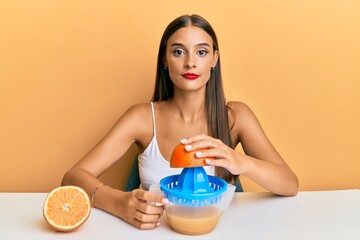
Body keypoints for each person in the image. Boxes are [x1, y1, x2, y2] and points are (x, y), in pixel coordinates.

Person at [62, 14, 298, 230]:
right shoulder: (142, 118)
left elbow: (290, 184)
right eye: (178, 52)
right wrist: (119, 202)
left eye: (202, 52)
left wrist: (240, 162)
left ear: (215, 59)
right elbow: (73, 177)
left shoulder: (236, 117)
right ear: (165, 59)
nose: (190, 63)